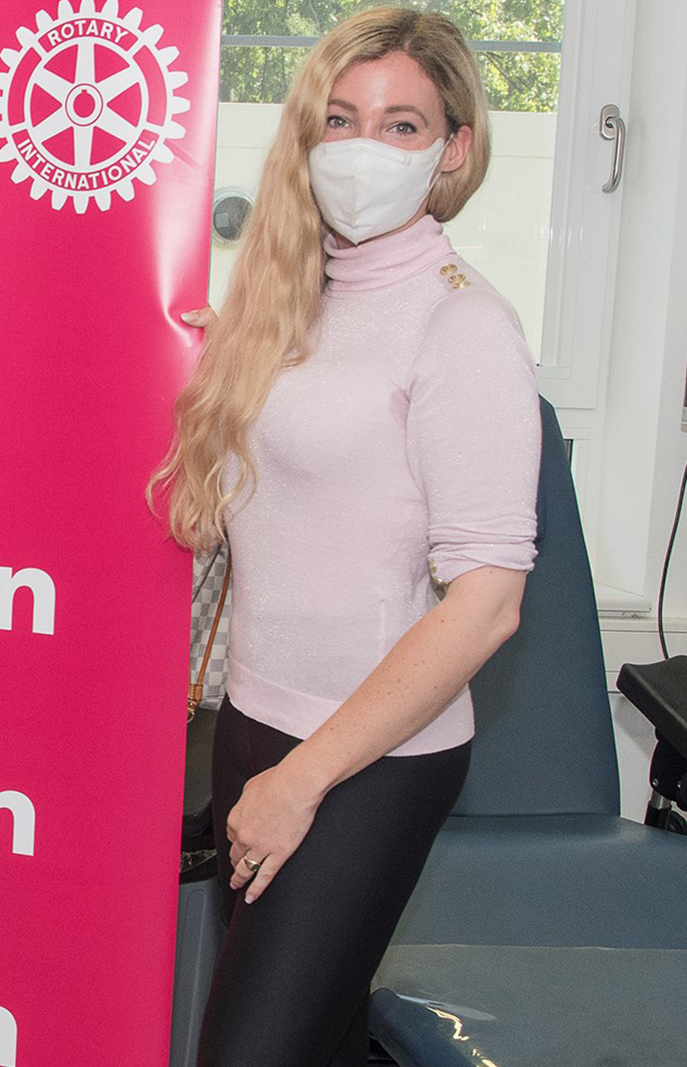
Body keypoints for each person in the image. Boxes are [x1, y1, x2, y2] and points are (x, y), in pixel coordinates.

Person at [148, 10, 536, 1066]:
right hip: (252, 726)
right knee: (304, 1035)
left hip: (366, 759)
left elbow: (488, 601)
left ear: (453, 148)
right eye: (340, 119)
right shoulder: (285, 300)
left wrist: (304, 777)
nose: (363, 149)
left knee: (251, 1049)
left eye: (401, 125)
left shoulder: (462, 327)